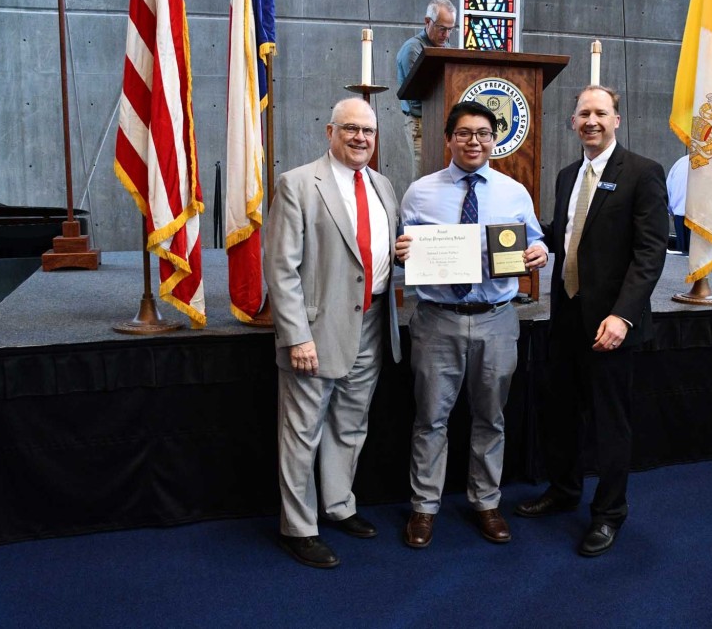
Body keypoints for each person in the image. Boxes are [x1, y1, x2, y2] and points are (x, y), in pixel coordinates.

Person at [515, 85, 668, 557]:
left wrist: (622, 315)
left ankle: (608, 514)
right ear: (574, 121)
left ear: (617, 120)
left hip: (611, 326)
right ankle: (564, 491)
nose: (592, 121)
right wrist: (543, 244)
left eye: (601, 113)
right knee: (560, 415)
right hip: (565, 319)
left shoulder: (643, 173)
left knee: (609, 424)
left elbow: (649, 253)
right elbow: (568, 234)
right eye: (584, 114)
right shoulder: (566, 176)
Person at [394, 101, 547, 549]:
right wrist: (402, 251)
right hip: (436, 320)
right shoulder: (420, 192)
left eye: (483, 133)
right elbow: (403, 250)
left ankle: (486, 502)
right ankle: (424, 507)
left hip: (497, 320)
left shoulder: (513, 192)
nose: (474, 141)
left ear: (494, 139)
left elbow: (533, 240)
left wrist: (537, 253)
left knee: (491, 418)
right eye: (464, 133)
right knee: (430, 419)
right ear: (448, 139)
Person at [263, 97, 402, 569]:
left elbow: (374, 255)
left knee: (350, 423)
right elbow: (281, 269)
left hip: (373, 324)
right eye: (351, 129)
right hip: (316, 332)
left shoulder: (383, 185)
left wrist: (403, 252)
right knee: (302, 431)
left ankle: (339, 505)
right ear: (330, 132)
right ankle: (298, 528)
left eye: (368, 130)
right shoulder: (298, 184)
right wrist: (296, 336)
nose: (361, 137)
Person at [395, 0, 457, 180]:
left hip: (444, 122)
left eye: (450, 29)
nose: (446, 35)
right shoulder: (413, 49)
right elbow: (420, 92)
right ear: (427, 22)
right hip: (421, 123)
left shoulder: (448, 48)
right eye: (442, 28)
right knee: (423, 178)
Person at [666, 154, 690, 253]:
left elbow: (668, 189)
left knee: (682, 255)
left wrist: (671, 211)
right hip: (701, 219)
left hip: (679, 215)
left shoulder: (680, 162)